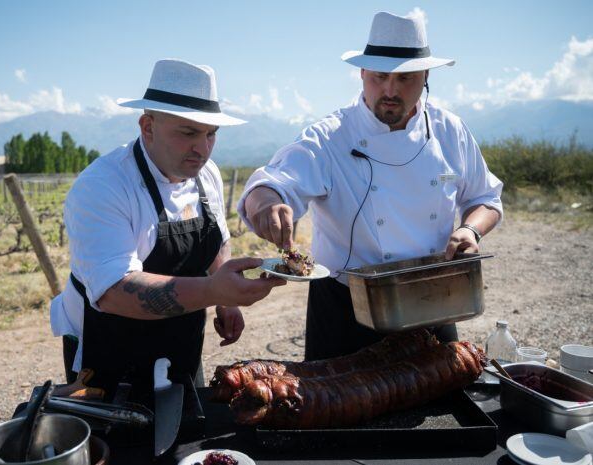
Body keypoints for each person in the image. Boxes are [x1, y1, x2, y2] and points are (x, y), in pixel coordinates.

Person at [238, 12, 503, 361]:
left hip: (434, 302)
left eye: (405, 78)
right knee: (339, 412)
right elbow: (272, 183)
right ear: (362, 74)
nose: (390, 90)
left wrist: (470, 230)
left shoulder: (450, 130)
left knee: (439, 406)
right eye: (380, 77)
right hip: (347, 311)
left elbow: (485, 197)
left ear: (425, 76)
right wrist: (266, 205)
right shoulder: (330, 136)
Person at [50, 59, 285, 401]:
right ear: (148, 126)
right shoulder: (103, 186)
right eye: (188, 132)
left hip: (182, 341)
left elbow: (217, 240)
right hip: (110, 351)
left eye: (211, 134)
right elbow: (114, 291)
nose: (202, 148)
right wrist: (215, 291)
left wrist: (224, 301)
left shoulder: (207, 174)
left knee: (186, 437)